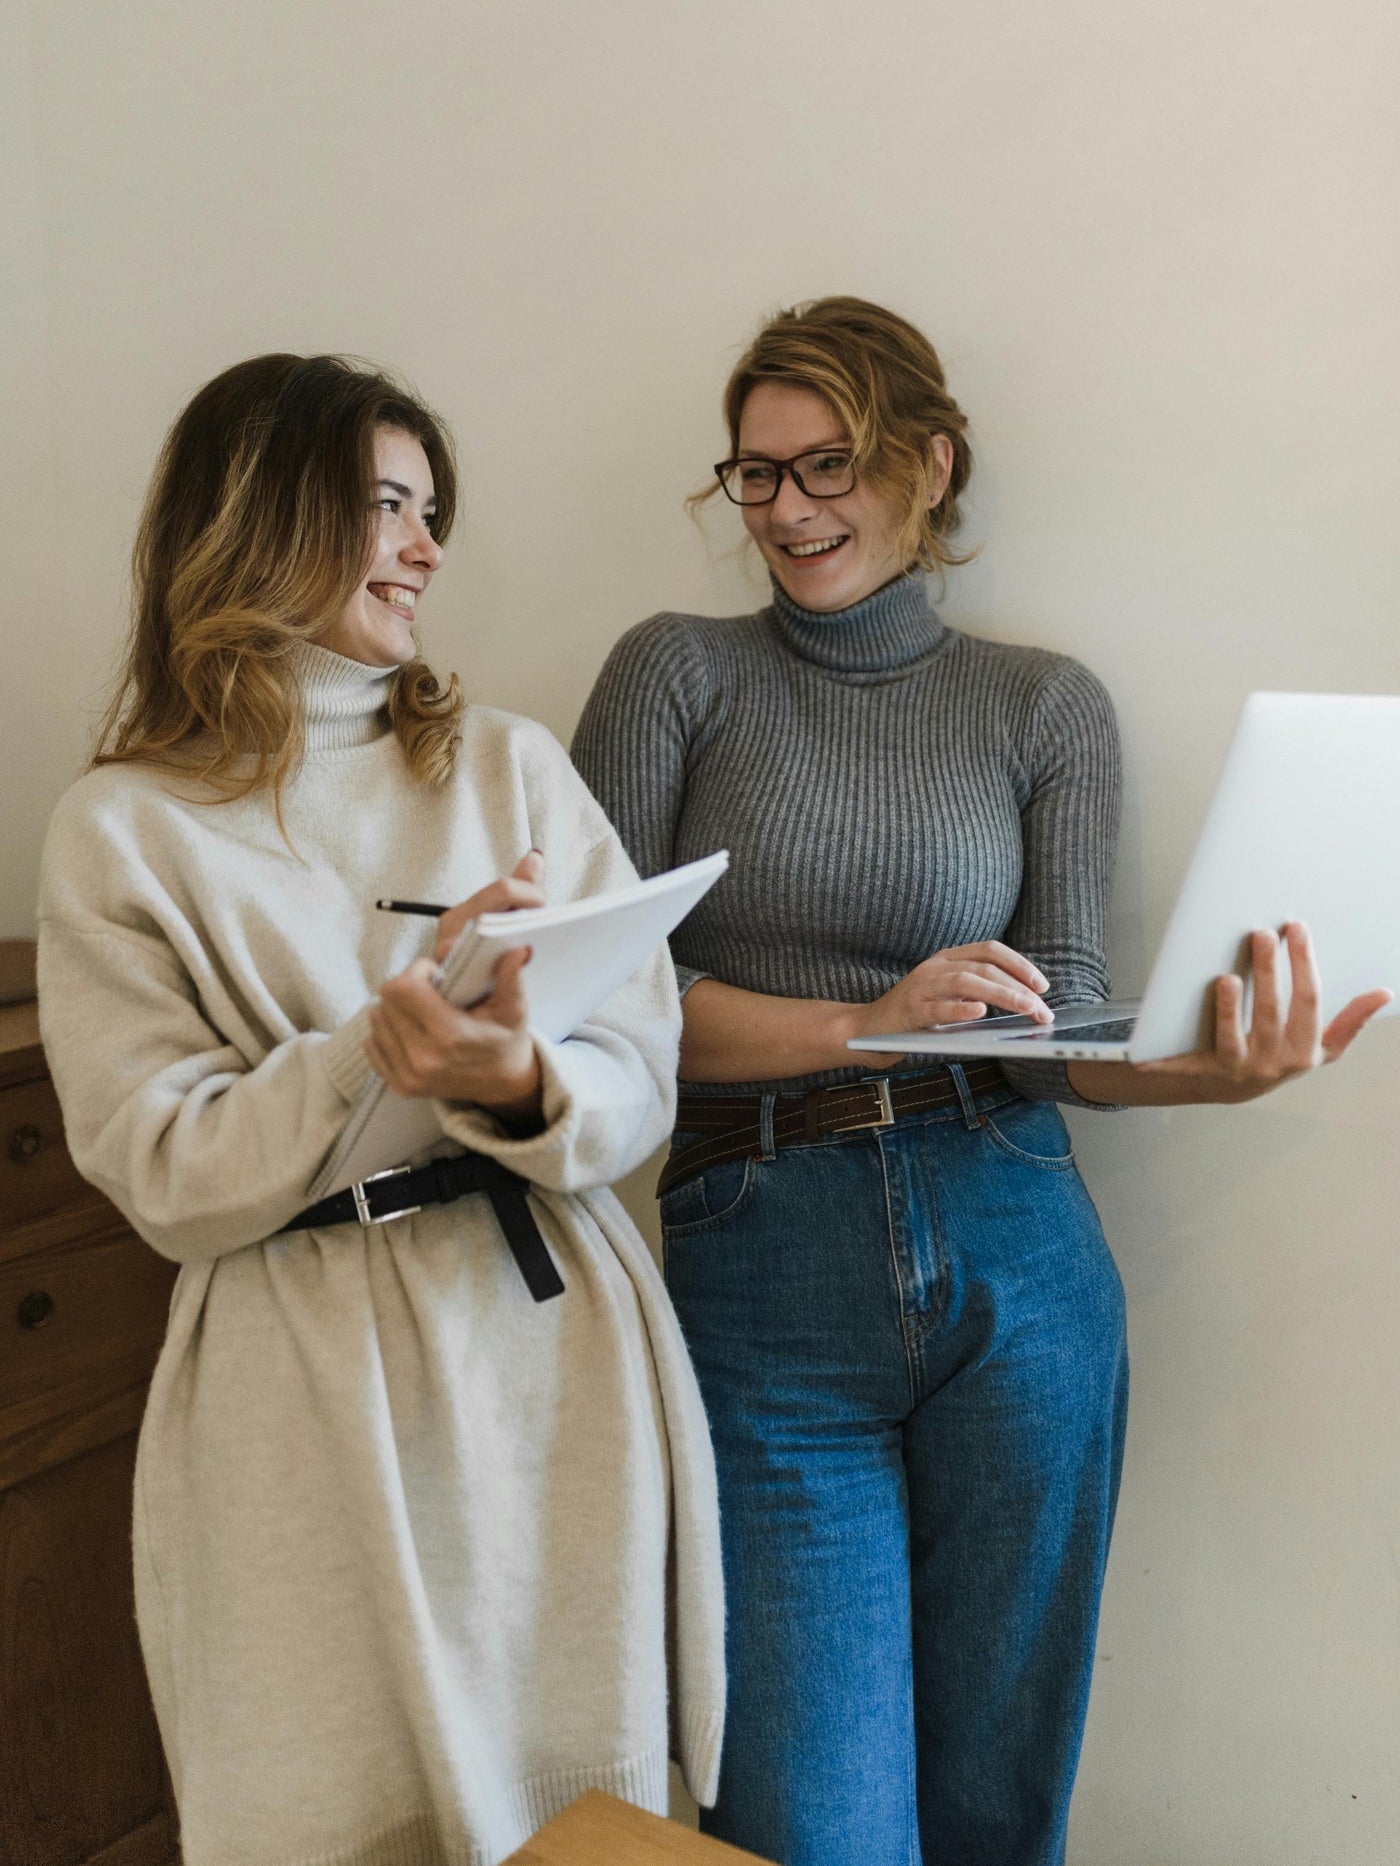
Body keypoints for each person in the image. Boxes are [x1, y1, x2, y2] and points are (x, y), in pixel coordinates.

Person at [570, 296, 1389, 1866]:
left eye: (830, 465)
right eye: (758, 473)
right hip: (763, 1259)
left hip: (1019, 1246)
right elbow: (601, 1000)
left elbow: (1054, 1034)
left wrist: (1215, 1076)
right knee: (814, 1828)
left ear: (928, 464)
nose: (790, 509)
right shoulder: (676, 672)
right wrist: (866, 1023)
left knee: (1000, 1816)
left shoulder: (1044, 703)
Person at [37, 354, 725, 1866]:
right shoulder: (122, 830)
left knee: (586, 1825)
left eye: (430, 512)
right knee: (330, 1809)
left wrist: (519, 1078)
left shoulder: (508, 766)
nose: (426, 548)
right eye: (386, 508)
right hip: (298, 1385)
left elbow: (642, 1061)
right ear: (260, 516)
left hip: (544, 1350)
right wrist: (376, 1049)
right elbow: (163, 1168)